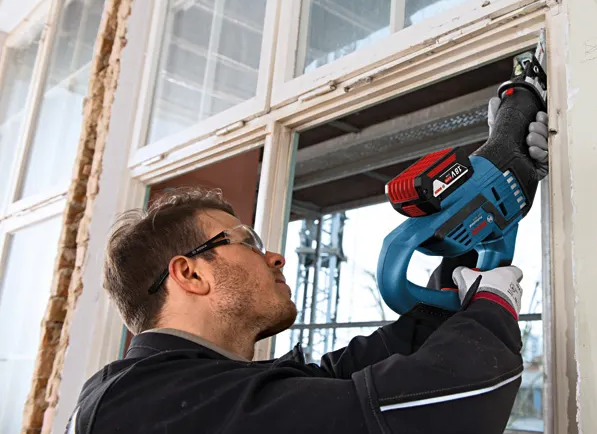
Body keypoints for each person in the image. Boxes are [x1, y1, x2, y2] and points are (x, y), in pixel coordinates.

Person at [67, 105, 549, 434]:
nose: (274, 256)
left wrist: (483, 214)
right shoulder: (142, 407)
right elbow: (448, 398)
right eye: (247, 243)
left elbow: (346, 377)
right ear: (190, 274)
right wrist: (493, 303)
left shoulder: (185, 390)